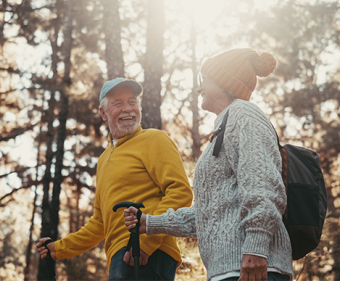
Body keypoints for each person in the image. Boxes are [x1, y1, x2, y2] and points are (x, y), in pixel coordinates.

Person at [124, 49, 294, 281]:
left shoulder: (244, 115)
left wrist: (255, 246)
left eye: (204, 81)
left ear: (225, 84)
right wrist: (151, 222)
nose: (198, 88)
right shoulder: (224, 126)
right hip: (230, 270)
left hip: (254, 268)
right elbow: (210, 213)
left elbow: (262, 183)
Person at [36, 77, 193, 281]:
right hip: (120, 257)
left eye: (132, 101)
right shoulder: (103, 160)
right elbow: (100, 222)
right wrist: (58, 249)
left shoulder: (154, 139)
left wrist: (145, 242)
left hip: (150, 253)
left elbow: (180, 192)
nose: (127, 108)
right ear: (103, 113)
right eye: (117, 103)